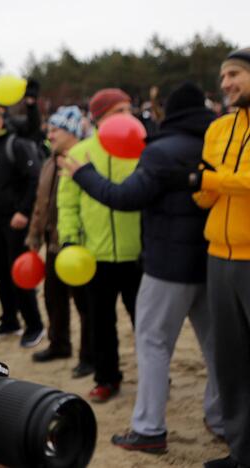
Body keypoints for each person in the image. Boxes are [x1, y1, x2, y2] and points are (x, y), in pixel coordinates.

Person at [59, 82, 223, 453]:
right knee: (216, 347)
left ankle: (149, 428)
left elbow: (124, 197)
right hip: (213, 261)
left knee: (151, 341)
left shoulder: (158, 150)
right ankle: (221, 418)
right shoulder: (217, 146)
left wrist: (84, 174)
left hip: (165, 264)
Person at [186, 48, 250, 468]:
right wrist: (196, 185)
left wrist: (209, 178)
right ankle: (242, 454)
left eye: (234, 74)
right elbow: (208, 191)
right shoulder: (219, 127)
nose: (225, 83)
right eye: (223, 75)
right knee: (231, 365)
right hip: (218, 256)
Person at [57, 88, 142, 403]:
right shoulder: (81, 151)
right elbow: (67, 204)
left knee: (144, 322)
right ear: (99, 117)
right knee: (100, 322)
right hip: (94, 256)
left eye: (128, 110)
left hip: (137, 254)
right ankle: (107, 378)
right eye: (118, 111)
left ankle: (154, 374)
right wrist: (70, 240)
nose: (126, 117)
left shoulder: (140, 148)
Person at [25, 106, 93, 377]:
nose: (49, 134)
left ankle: (89, 356)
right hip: (53, 243)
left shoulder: (85, 160)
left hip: (79, 248)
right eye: (49, 128)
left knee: (85, 305)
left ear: (72, 132)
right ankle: (59, 344)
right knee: (53, 298)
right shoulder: (50, 162)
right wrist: (33, 235)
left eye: (56, 129)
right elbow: (40, 204)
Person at [0, 106, 45, 348]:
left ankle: (34, 325)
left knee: (21, 273)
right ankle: (11, 319)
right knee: (0, 272)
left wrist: (24, 212)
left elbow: (34, 178)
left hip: (17, 221)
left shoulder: (16, 145)